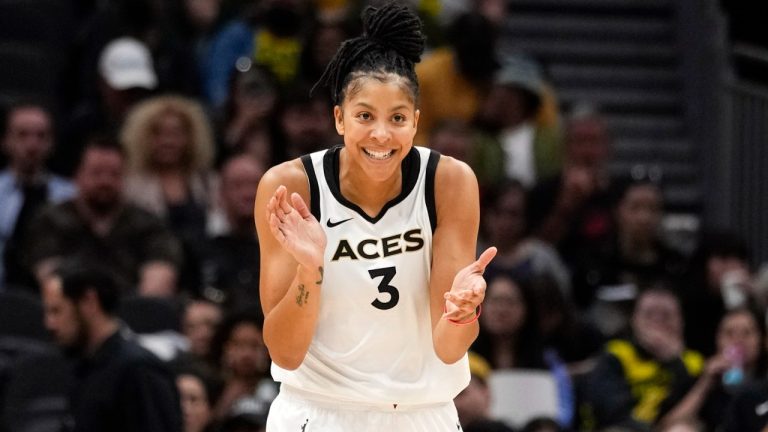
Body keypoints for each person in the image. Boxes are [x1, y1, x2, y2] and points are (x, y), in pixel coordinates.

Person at [253, 3, 496, 430]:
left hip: (424, 414)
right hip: (317, 411)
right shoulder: (292, 186)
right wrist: (311, 270)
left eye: (397, 118)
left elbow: (448, 348)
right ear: (339, 119)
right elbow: (284, 352)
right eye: (364, 116)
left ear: (416, 122)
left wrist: (462, 312)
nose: (381, 134)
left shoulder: (449, 181)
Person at [23, 138, 182, 297]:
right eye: (96, 173)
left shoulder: (148, 224)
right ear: (77, 175)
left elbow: (160, 278)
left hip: (133, 313)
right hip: (69, 311)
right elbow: (51, 278)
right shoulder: (50, 220)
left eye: (114, 174)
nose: (105, 181)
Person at [40, 261, 182, 432]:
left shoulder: (139, 370)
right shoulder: (85, 367)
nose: (49, 324)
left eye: (56, 311)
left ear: (89, 301)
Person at [583, 286, 704, 431]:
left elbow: (699, 412)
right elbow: (610, 411)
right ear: (634, 320)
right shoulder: (617, 353)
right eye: (649, 315)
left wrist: (674, 362)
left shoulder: (695, 362)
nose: (657, 323)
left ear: (681, 321)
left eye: (666, 315)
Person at [0, 102, 76, 290]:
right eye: (22, 135)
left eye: (41, 136)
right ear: (5, 141)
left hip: (56, 293)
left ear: (51, 144)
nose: (32, 145)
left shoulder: (71, 195)